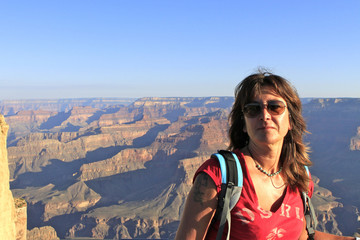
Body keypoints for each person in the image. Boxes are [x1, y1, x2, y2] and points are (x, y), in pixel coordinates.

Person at [175, 71, 357, 240]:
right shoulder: (218, 175)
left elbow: (301, 235)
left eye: (275, 107)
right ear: (244, 125)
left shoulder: (301, 177)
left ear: (290, 121)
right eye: (253, 109)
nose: (264, 115)